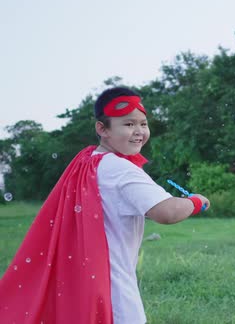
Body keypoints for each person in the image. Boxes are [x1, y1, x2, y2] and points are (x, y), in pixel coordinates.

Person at [0, 86, 210, 324]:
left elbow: (109, 207)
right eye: (128, 124)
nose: (139, 131)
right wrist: (196, 201)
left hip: (83, 285)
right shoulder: (122, 170)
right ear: (102, 129)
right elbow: (168, 212)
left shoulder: (87, 160)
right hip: (113, 294)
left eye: (143, 123)